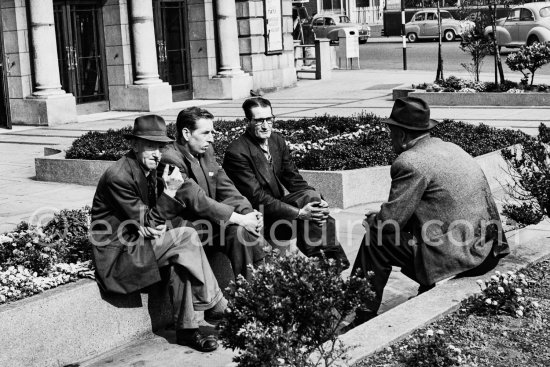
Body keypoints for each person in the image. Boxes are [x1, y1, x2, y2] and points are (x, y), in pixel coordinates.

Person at [349, 97, 510, 326]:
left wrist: (376, 219)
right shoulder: (450, 148)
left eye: (391, 132)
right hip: (489, 249)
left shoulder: (410, 161)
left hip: (466, 259)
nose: (390, 138)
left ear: (402, 136)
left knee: (375, 240)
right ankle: (428, 284)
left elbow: (390, 223)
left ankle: (361, 316)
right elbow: (438, 205)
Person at [90, 115, 227, 352]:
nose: (157, 153)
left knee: (183, 255)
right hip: (119, 258)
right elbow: (152, 220)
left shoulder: (147, 168)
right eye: (150, 146)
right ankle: (217, 306)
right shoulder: (118, 177)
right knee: (185, 238)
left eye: (160, 147)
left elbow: (154, 221)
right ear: (134, 145)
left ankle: (188, 331)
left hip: (139, 243)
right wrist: (170, 194)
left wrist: (155, 220)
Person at [223, 97, 349, 267]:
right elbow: (258, 198)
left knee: (313, 199)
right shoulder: (236, 152)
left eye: (269, 119)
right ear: (248, 122)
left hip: (278, 209)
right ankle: (328, 262)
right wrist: (299, 213)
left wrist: (319, 200)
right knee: (311, 209)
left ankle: (326, 261)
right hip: (259, 215)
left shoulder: (276, 140)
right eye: (259, 121)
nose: (266, 126)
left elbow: (294, 179)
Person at [160, 107, 268, 282]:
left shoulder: (205, 150)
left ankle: (254, 293)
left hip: (209, 224)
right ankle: (257, 293)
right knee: (240, 229)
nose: (212, 138)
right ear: (186, 133)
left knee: (242, 233)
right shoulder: (170, 159)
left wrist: (248, 213)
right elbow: (196, 199)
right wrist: (240, 219)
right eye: (206, 133)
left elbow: (226, 187)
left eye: (212, 132)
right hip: (186, 230)